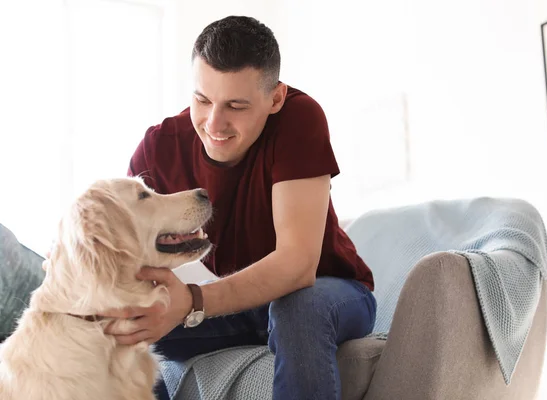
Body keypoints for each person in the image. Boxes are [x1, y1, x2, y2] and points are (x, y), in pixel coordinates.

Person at [103, 15, 376, 400]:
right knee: (121, 329)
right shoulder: (159, 147)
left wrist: (194, 300)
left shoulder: (299, 117)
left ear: (275, 98)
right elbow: (122, 252)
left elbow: (297, 266)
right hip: (244, 307)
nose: (214, 123)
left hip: (328, 293)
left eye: (236, 105)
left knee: (297, 309)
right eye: (202, 99)